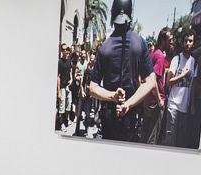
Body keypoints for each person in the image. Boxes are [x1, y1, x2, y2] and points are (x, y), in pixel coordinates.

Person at [87, 0, 156, 141]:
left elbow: (92, 88)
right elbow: (150, 81)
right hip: (130, 116)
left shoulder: (105, 47)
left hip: (109, 115)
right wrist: (128, 104)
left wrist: (113, 96)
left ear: (113, 13)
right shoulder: (140, 43)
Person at [163, 31, 197, 147]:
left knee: (181, 141)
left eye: (190, 41)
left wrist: (191, 105)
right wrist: (183, 75)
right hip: (173, 105)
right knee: (170, 139)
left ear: (193, 43)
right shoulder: (176, 59)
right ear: (182, 43)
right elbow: (168, 82)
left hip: (184, 107)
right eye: (186, 41)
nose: (188, 43)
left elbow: (192, 85)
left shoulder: (193, 61)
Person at [142, 28, 172, 144]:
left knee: (145, 135)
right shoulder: (160, 56)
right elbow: (153, 80)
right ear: (163, 40)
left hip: (148, 100)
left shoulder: (154, 53)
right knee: (152, 138)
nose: (171, 43)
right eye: (169, 40)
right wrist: (159, 100)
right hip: (155, 102)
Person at [57, 44, 73, 130]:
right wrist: (59, 92)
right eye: (63, 50)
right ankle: (60, 123)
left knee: (68, 104)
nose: (65, 51)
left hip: (68, 86)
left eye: (66, 49)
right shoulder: (60, 62)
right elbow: (58, 77)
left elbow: (70, 70)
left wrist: (71, 79)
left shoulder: (69, 60)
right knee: (62, 106)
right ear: (61, 51)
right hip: (62, 87)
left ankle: (66, 120)